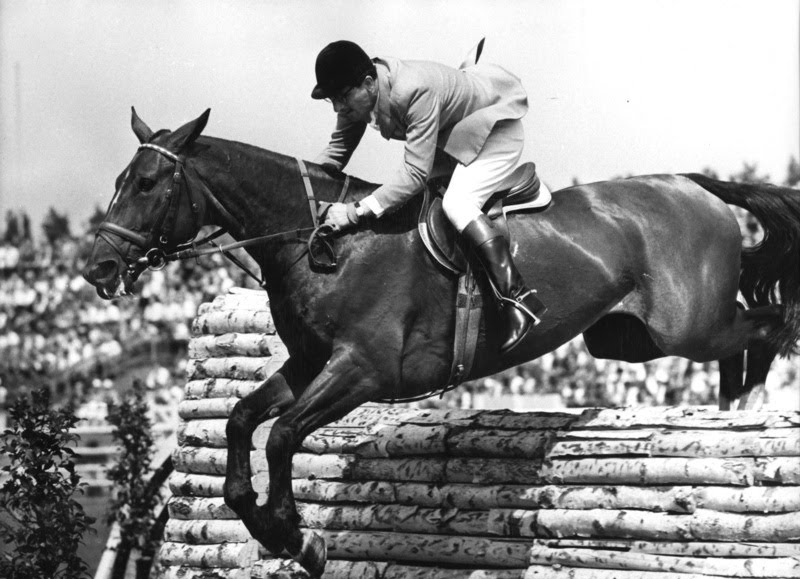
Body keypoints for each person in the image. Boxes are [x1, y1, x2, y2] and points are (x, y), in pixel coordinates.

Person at [312, 40, 547, 354]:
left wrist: (353, 211)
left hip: (495, 131)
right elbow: (336, 152)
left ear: (369, 84)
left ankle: (518, 299)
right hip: (456, 136)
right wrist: (310, 190)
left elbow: (413, 174)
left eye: (341, 98)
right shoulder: (359, 91)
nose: (339, 109)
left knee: (456, 204)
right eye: (332, 101)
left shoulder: (412, 90)